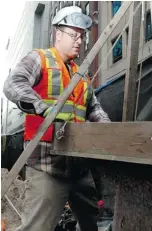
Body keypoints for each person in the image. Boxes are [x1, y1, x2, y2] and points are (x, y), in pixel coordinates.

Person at [3, 6, 111, 231]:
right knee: (37, 227)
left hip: (79, 169)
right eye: (74, 35)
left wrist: (107, 129)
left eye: (81, 36)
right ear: (58, 34)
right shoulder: (39, 59)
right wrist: (42, 108)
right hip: (47, 167)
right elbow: (13, 84)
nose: (79, 41)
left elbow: (94, 107)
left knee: (93, 222)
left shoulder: (81, 74)